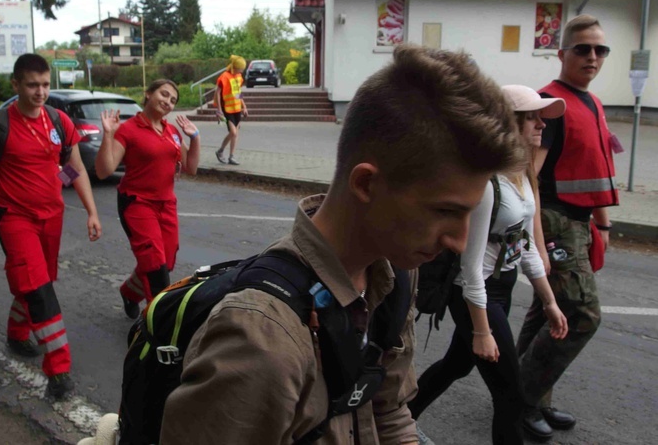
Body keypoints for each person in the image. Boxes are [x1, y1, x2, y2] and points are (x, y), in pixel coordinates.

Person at [158, 44, 525, 444]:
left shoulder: (396, 275)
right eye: (444, 211)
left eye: (470, 214)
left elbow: (388, 409)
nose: (459, 243)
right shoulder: (260, 341)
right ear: (366, 184)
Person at [408, 85, 570, 445]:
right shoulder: (487, 185)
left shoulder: (522, 176)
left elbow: (524, 244)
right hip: (475, 294)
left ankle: (397, 419)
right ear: (509, 125)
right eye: (532, 118)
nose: (542, 125)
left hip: (500, 286)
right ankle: (395, 422)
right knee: (510, 395)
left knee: (457, 365)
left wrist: (549, 301)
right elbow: (469, 268)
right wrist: (481, 330)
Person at [0, 53, 102, 400]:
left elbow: (73, 169)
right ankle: (59, 370)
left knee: (39, 280)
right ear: (16, 85)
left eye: (46, 85)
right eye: (33, 85)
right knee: (38, 289)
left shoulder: (59, 121)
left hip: (52, 217)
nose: (40, 92)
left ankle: (17, 332)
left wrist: (90, 211)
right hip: (14, 218)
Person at [517, 14, 619, 441]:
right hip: (554, 221)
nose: (592, 57)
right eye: (582, 49)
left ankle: (526, 392)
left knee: (545, 311)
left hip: (580, 221)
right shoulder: (551, 105)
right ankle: (521, 398)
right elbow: (529, 179)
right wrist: (537, 241)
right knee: (581, 315)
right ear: (562, 54)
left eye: (600, 50)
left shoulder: (592, 103)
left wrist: (603, 223)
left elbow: (596, 170)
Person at [95, 79, 200, 318]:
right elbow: (104, 170)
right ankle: (157, 325)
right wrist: (108, 136)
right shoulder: (129, 129)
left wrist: (195, 138)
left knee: (167, 262)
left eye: (173, 100)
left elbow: (191, 167)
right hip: (137, 204)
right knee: (155, 267)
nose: (168, 102)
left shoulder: (171, 131)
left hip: (166, 204)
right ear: (148, 94)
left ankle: (130, 292)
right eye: (164, 95)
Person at [214, 54, 248, 165]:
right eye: (240, 69)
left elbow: (238, 93)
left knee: (235, 133)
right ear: (234, 67)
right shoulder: (224, 76)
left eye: (242, 70)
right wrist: (219, 110)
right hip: (227, 109)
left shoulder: (238, 77)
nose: (241, 72)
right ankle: (221, 151)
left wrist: (244, 106)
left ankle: (230, 156)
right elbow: (217, 93)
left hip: (237, 108)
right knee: (233, 132)